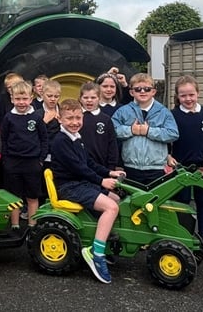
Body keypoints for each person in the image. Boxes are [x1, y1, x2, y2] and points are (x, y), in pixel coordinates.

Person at [50, 99, 125, 284]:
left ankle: (104, 240)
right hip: (69, 187)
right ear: (60, 118)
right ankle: (96, 253)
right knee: (111, 208)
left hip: (80, 182)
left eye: (77, 117)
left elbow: (89, 163)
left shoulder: (76, 137)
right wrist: (102, 181)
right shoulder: (60, 141)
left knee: (118, 198)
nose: (74, 122)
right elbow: (78, 168)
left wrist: (109, 172)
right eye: (69, 118)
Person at [167, 75, 203, 253]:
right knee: (182, 202)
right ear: (177, 96)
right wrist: (168, 156)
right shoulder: (173, 115)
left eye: (191, 94)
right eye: (183, 96)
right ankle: (184, 235)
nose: (188, 99)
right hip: (181, 168)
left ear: (197, 93)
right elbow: (167, 140)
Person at [0, 81, 48, 229]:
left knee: (32, 196)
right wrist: (6, 160)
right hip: (13, 163)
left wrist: (40, 159)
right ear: (12, 99)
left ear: (31, 98)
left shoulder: (37, 117)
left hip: (32, 163)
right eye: (18, 99)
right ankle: (15, 225)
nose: (21, 102)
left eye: (24, 99)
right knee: (15, 197)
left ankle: (32, 225)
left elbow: (43, 139)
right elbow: (4, 139)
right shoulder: (8, 118)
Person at [79, 82, 120, 171]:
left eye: (93, 97)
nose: (89, 100)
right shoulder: (76, 118)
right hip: (80, 165)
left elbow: (112, 144)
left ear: (99, 99)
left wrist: (111, 166)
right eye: (85, 97)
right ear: (80, 99)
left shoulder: (106, 119)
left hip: (102, 166)